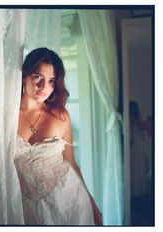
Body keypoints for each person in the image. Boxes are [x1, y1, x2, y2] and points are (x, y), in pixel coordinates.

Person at [14, 47, 102, 225]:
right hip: (28, 208)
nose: (44, 87)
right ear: (24, 75)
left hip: (70, 201)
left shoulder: (61, 116)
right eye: (37, 77)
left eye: (51, 81)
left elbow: (71, 162)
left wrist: (92, 204)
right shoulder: (6, 116)